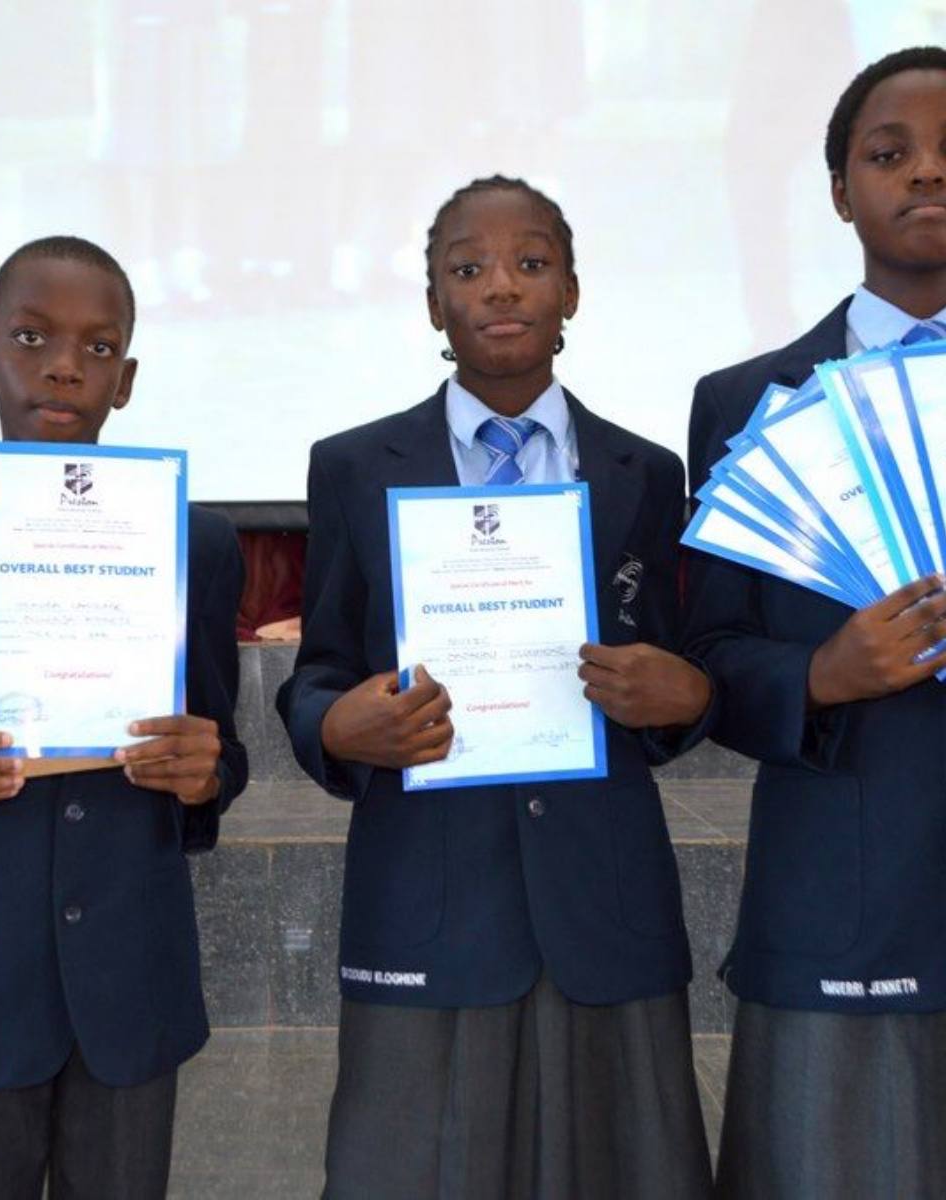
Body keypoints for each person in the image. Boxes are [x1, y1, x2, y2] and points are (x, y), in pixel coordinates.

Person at [277, 175, 714, 1199]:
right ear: (434, 305)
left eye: (531, 264)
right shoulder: (353, 468)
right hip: (426, 896)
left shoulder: (643, 472)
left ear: (572, 289)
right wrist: (337, 725)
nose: (501, 288)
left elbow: (684, 675)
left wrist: (682, 697)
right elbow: (321, 677)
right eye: (467, 270)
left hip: (603, 897)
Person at [0, 236, 247, 1199]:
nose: (65, 364)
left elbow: (221, 749)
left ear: (128, 378)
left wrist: (207, 771)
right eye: (31, 337)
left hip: (132, 967)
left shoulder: (199, 541)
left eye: (99, 348)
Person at [684, 46, 946, 1199]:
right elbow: (709, 660)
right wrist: (825, 675)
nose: (926, 175)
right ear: (840, 189)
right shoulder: (748, 401)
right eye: (890, 155)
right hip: (843, 898)